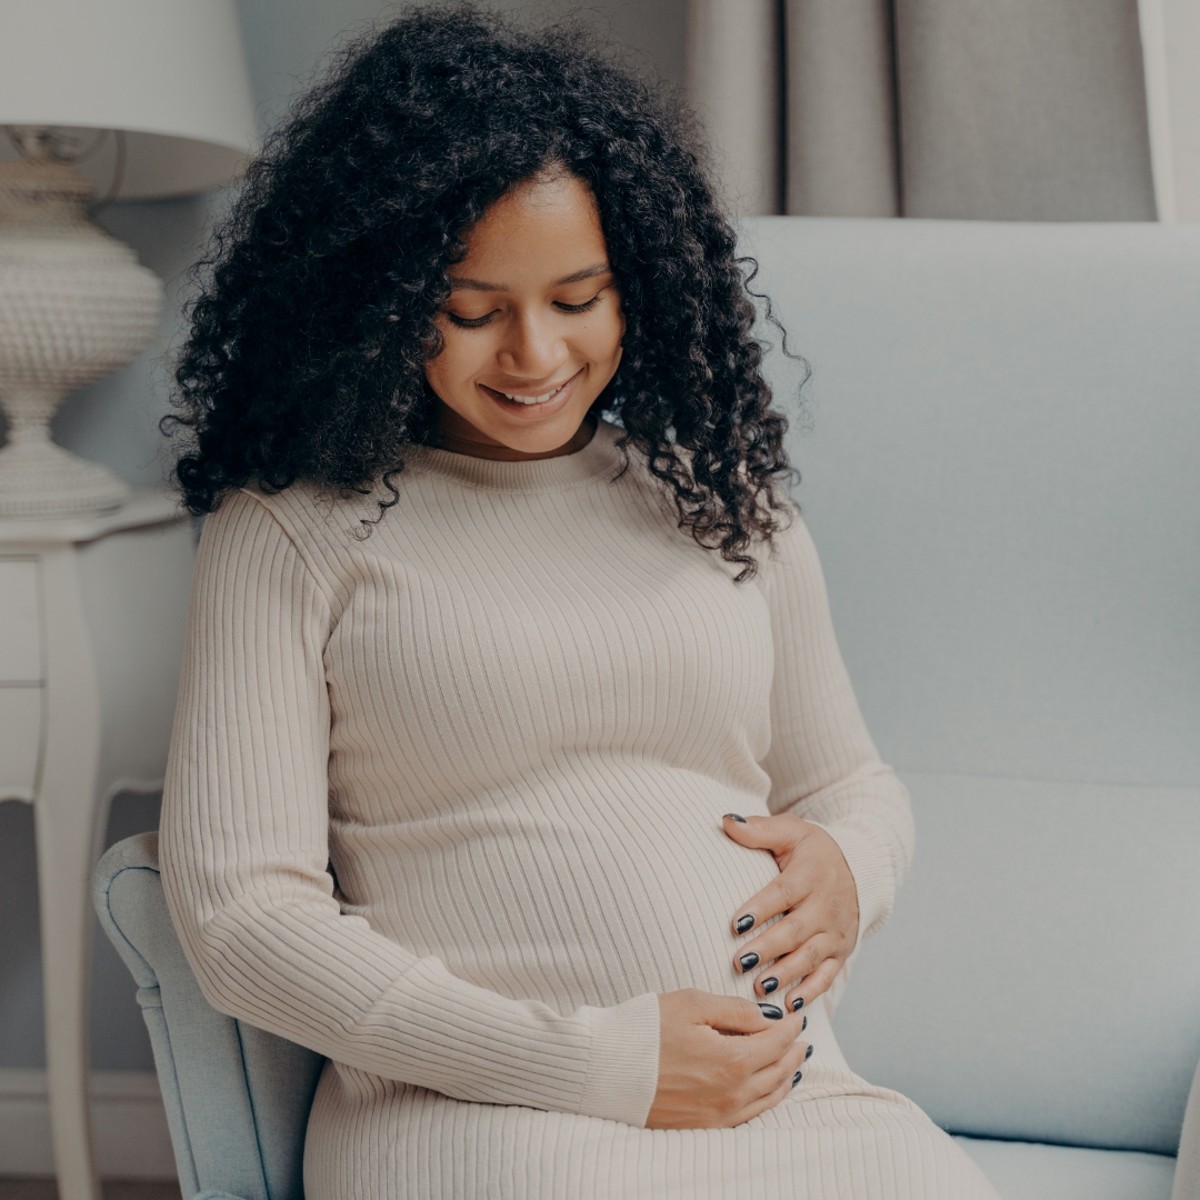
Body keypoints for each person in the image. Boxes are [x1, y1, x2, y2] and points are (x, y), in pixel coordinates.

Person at [158, 7, 1001, 1199]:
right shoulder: (292, 533)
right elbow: (242, 919)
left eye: (578, 297)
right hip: (480, 1119)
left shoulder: (719, 501)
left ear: (639, 287)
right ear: (382, 300)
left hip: (788, 1103)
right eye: (469, 307)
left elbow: (849, 783)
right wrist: (593, 1062)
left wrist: (854, 870)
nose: (533, 353)